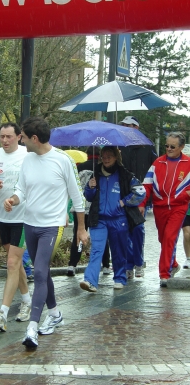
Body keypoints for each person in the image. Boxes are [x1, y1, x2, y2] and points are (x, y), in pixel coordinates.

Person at [4, 117, 88, 348]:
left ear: (34, 138)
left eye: (21, 136)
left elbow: (78, 196)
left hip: (53, 226)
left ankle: (32, 328)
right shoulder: (28, 159)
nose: (19, 139)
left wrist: (81, 228)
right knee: (43, 273)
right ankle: (55, 313)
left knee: (40, 272)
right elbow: (22, 187)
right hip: (29, 224)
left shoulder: (63, 160)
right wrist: (14, 198)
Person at [0, 122, 31, 331]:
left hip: (23, 217)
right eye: (2, 136)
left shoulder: (28, 155)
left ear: (19, 137)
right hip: (2, 218)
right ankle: (27, 301)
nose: (5, 140)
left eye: (9, 136)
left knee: (12, 263)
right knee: (15, 264)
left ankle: (2, 313)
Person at [80, 146, 146, 292]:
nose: (106, 158)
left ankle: (120, 278)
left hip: (119, 219)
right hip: (99, 220)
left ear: (116, 157)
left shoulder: (125, 175)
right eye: (104, 155)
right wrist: (90, 188)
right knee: (96, 250)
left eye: (110, 156)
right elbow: (89, 196)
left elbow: (141, 192)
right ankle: (90, 281)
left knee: (118, 250)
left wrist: (124, 201)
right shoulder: (95, 174)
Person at [139, 132, 190, 287]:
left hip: (179, 207)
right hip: (159, 208)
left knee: (169, 237)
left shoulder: (188, 163)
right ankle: (173, 264)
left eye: (172, 146)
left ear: (181, 147)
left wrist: (185, 195)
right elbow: (146, 184)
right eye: (166, 145)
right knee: (163, 239)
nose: (168, 148)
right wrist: (141, 204)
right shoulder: (157, 163)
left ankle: (164, 274)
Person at [119, 116, 158, 279]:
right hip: (124, 194)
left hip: (142, 195)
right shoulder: (121, 147)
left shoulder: (148, 147)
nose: (125, 129)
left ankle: (138, 263)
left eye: (128, 126)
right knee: (125, 230)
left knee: (138, 230)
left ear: (136, 127)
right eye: (123, 126)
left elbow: (155, 171)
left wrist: (148, 198)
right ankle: (129, 264)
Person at [67, 146, 111, 276]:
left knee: (78, 235)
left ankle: (72, 264)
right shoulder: (102, 168)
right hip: (96, 207)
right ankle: (106, 265)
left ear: (87, 154)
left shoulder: (78, 167)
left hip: (80, 207)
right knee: (101, 236)